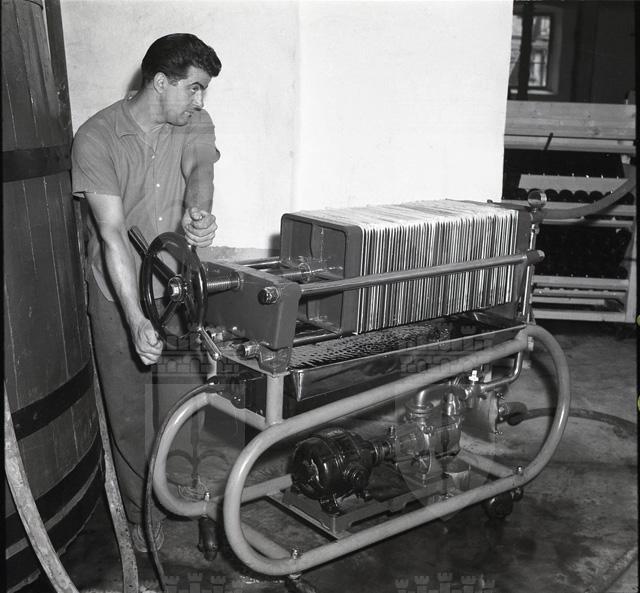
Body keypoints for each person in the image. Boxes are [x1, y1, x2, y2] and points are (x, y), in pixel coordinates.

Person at [71, 33, 222, 552]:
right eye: (194, 88)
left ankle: (180, 487)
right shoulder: (96, 138)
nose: (200, 100)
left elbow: (200, 169)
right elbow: (112, 234)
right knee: (131, 411)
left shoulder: (194, 121)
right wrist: (135, 319)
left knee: (185, 397)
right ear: (160, 82)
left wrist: (198, 213)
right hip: (118, 293)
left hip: (176, 290)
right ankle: (140, 513)